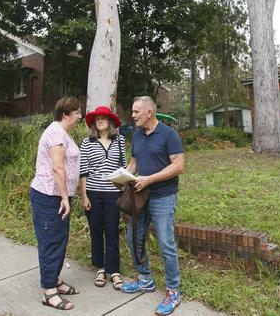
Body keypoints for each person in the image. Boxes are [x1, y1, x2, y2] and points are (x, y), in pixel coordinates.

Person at [121, 96, 185, 316]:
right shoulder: (137, 136)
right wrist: (123, 176)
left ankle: (173, 291)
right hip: (140, 195)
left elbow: (178, 166)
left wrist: (149, 179)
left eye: (137, 111)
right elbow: (135, 163)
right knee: (133, 237)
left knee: (166, 243)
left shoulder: (169, 134)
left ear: (149, 112)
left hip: (163, 196)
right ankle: (145, 279)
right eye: (133, 111)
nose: (133, 115)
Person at [30, 96, 82, 311]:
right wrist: (63, 197)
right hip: (49, 197)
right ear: (65, 114)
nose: (80, 116)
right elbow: (57, 167)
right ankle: (49, 292)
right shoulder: (55, 133)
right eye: (77, 112)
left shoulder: (63, 133)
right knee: (51, 241)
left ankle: (56, 280)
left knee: (59, 239)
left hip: (59, 196)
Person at [78, 105, 126, 291]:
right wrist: (84, 196)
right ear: (93, 123)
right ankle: (100, 268)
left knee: (112, 230)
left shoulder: (120, 141)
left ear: (110, 121)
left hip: (114, 193)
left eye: (104, 118)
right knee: (96, 230)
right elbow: (84, 172)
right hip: (93, 193)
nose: (100, 120)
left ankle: (114, 271)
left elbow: (123, 167)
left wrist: (123, 183)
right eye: (97, 118)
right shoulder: (86, 142)